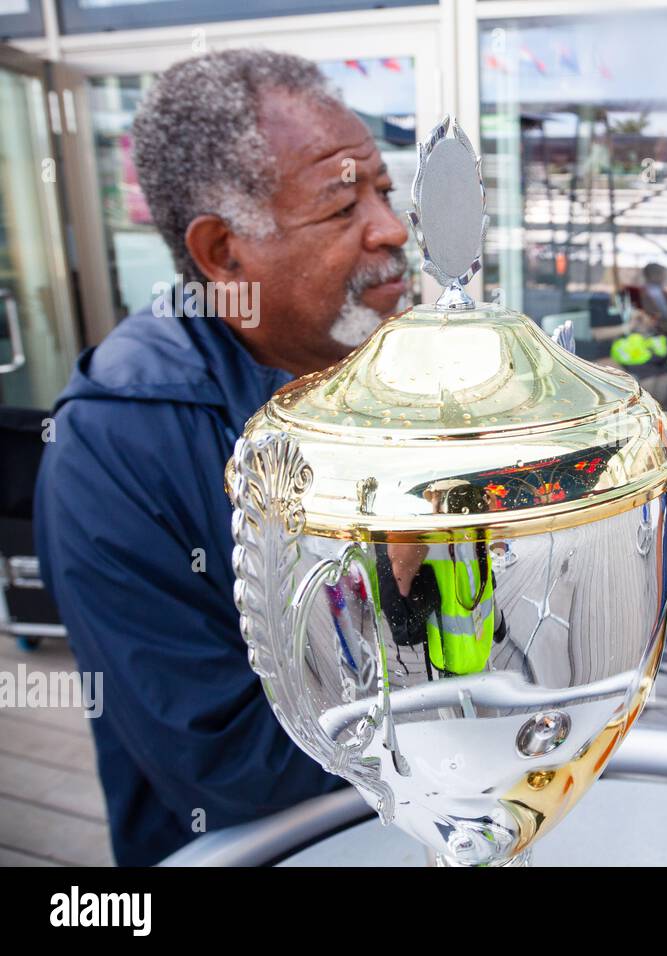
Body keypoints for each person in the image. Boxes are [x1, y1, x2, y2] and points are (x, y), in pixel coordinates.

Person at [34, 49, 411, 865]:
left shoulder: (395, 367)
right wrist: (391, 581)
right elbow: (228, 767)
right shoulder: (117, 446)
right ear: (223, 254)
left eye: (383, 188)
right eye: (343, 205)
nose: (391, 227)